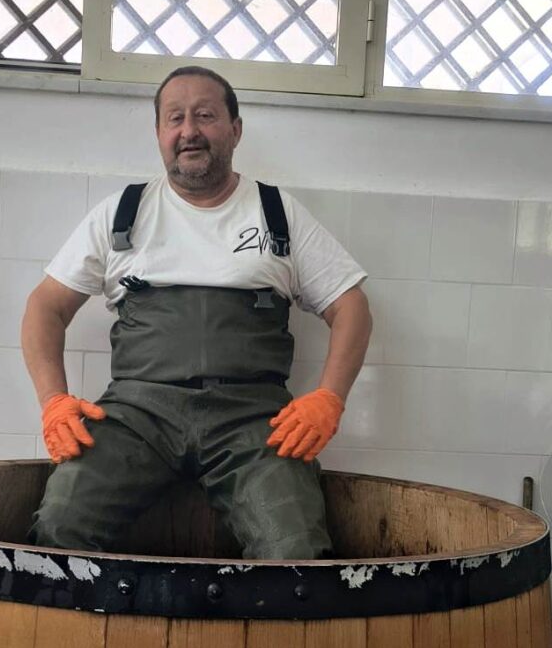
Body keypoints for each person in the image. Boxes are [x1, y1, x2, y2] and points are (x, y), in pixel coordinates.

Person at [22, 65, 372, 560]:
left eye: (205, 115)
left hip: (254, 422)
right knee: (60, 526)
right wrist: (53, 401)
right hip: (136, 417)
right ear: (159, 134)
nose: (189, 130)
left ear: (235, 129)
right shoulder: (122, 213)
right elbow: (44, 306)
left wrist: (329, 399)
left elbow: (351, 305)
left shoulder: (278, 214)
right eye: (175, 118)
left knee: (296, 549)